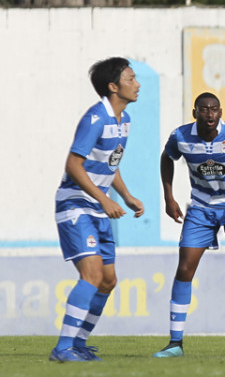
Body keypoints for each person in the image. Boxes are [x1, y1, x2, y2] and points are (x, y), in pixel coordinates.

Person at [153, 92, 225, 358]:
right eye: (204, 109)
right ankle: (175, 344)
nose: (210, 114)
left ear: (220, 112)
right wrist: (168, 196)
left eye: (214, 109)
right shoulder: (181, 137)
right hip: (202, 209)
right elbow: (166, 158)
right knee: (185, 268)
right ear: (195, 112)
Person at [51, 57, 145, 362]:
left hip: (97, 208)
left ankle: (77, 344)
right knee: (91, 274)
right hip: (75, 204)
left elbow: (110, 164)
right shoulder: (95, 119)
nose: (137, 84)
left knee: (108, 280)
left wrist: (126, 196)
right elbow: (73, 165)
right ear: (113, 87)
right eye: (131, 79)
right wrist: (104, 200)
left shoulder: (124, 121)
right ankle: (63, 348)